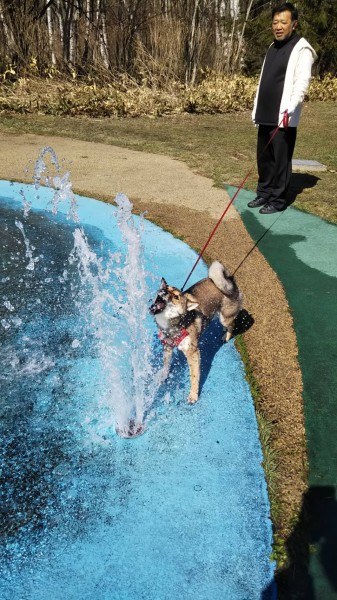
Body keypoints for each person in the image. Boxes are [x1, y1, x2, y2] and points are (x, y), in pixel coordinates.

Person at [248, 2, 317, 214]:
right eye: (275, 22)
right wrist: (256, 106)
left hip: (283, 115)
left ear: (293, 24)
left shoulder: (301, 48)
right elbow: (264, 80)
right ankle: (264, 193)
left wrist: (291, 107)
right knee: (265, 157)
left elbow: (302, 81)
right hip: (265, 112)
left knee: (280, 159)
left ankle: (277, 200)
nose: (278, 26)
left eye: (283, 22)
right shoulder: (272, 47)